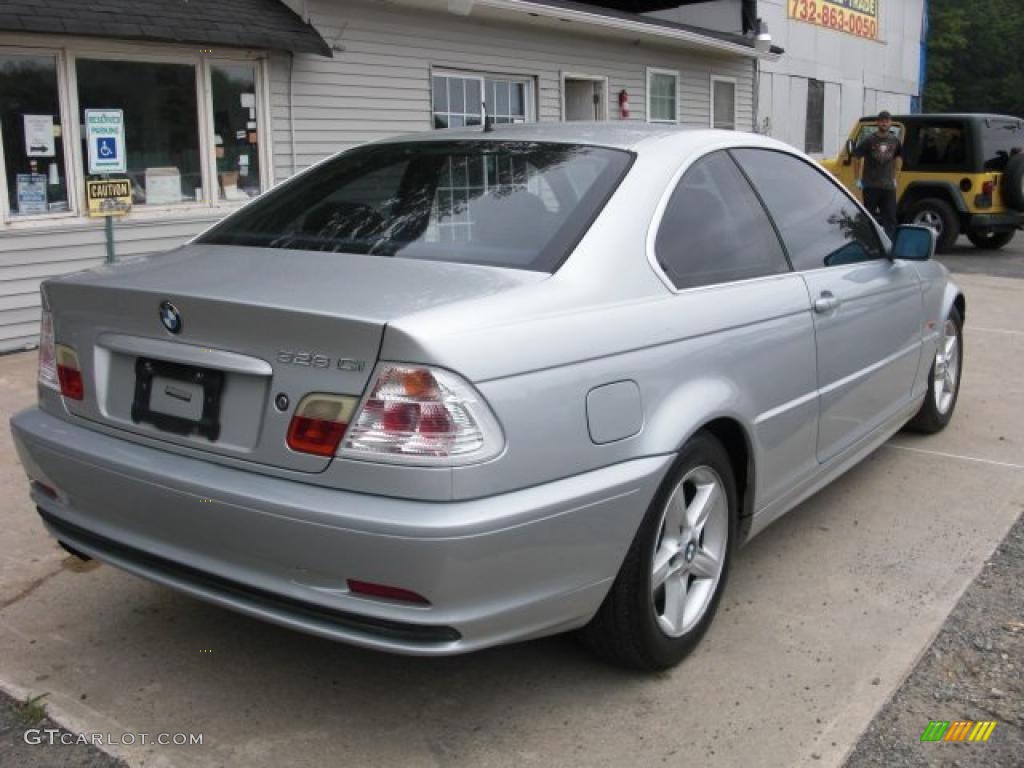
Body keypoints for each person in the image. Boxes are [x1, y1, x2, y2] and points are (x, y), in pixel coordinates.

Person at [853, 111, 902, 238]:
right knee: (869, 217)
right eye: (882, 121)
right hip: (871, 186)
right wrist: (857, 179)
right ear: (877, 123)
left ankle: (889, 245)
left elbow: (899, 157)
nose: (884, 123)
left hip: (888, 187)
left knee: (890, 218)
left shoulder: (895, 140)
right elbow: (856, 157)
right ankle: (869, 243)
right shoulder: (869, 140)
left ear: (891, 123)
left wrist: (895, 177)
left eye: (887, 121)